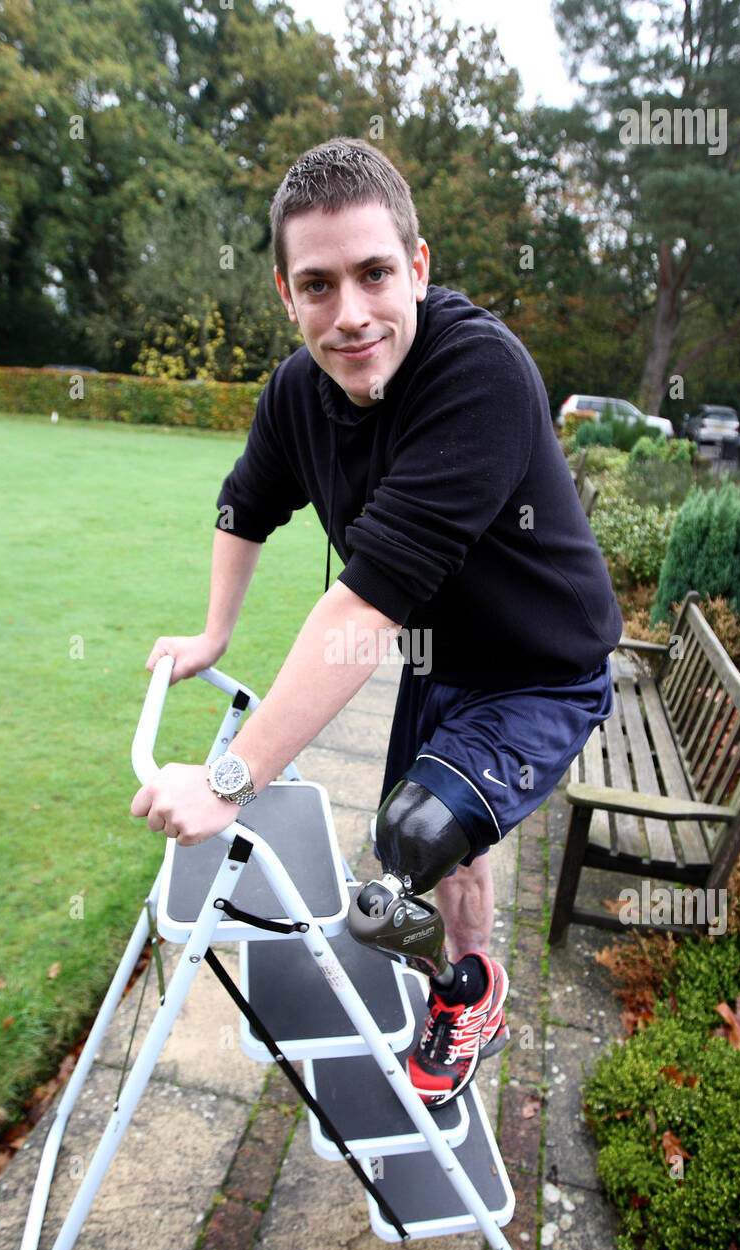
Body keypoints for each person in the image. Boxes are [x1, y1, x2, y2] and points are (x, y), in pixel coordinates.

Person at [132, 137, 622, 1108]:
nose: (349, 314)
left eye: (373, 273)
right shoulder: (292, 394)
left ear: (419, 266)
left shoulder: (476, 374)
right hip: (440, 657)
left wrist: (230, 780)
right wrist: (213, 635)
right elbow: (243, 506)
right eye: (317, 285)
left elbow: (360, 608)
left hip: (539, 667)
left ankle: (465, 991)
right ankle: (470, 978)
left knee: (411, 833)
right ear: (284, 291)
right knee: (442, 850)